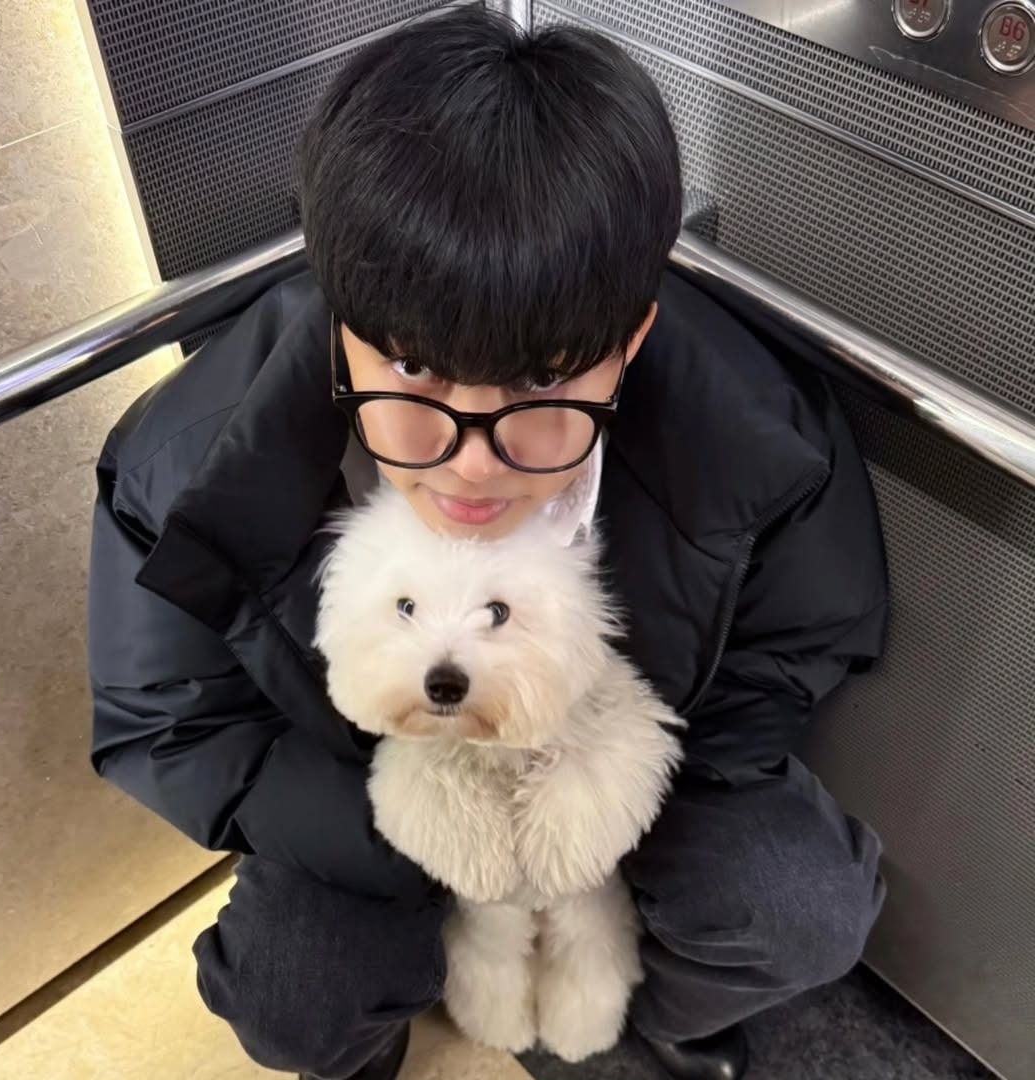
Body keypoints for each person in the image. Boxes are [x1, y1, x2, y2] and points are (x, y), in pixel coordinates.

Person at [87, 7, 888, 1080]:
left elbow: (796, 644)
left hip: (621, 769)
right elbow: (170, 725)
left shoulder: (761, 436)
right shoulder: (180, 467)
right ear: (342, 324)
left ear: (630, 341)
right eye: (415, 370)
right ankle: (377, 1035)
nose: (471, 464)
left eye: (544, 379)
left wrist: (616, 801)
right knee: (292, 991)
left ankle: (651, 1021)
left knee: (804, 907)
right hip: (359, 790)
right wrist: (410, 837)